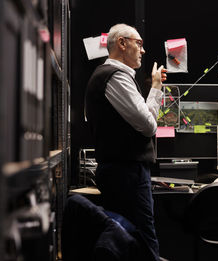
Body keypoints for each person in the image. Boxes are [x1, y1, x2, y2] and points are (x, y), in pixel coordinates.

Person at [85, 23, 167, 261]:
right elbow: (149, 125)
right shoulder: (116, 76)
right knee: (143, 240)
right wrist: (155, 91)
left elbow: (144, 121)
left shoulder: (113, 76)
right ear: (122, 43)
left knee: (129, 242)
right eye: (138, 43)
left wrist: (155, 88)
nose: (142, 50)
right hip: (126, 173)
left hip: (123, 172)